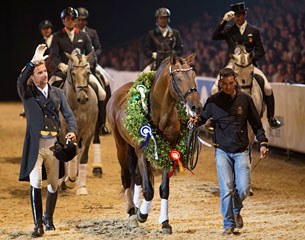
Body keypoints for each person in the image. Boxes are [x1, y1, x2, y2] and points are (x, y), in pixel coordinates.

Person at [190, 68, 269, 235]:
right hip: (222, 151)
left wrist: (262, 142)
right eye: (224, 84)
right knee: (226, 189)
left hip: (241, 151)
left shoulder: (246, 100)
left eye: (231, 83)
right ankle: (228, 224)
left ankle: (236, 207)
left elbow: (256, 124)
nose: (227, 87)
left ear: (235, 82)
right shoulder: (213, 101)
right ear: (220, 83)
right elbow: (202, 119)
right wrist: (195, 121)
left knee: (244, 188)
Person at [17, 44, 78, 238]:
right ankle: (38, 225)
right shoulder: (27, 94)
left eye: (45, 71)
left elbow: (69, 116)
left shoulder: (58, 94)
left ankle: (48, 218)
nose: (44, 75)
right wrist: (32, 62)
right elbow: (19, 81)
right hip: (36, 146)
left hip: (53, 146)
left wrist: (73, 131)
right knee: (35, 183)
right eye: (39, 72)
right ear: (33, 77)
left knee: (53, 184)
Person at [212, 2, 281, 129]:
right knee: (214, 89)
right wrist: (223, 21)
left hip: (249, 64)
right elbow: (214, 36)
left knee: (267, 88)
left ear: (245, 14)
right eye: (236, 16)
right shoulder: (229, 30)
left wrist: (250, 57)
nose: (239, 18)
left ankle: (271, 117)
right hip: (232, 64)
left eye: (241, 15)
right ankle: (213, 119)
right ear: (234, 17)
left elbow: (261, 50)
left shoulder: (254, 31)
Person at [49, 6, 105, 101]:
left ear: (75, 21)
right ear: (63, 21)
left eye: (73, 19)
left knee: (102, 94)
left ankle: (101, 116)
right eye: (68, 19)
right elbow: (54, 56)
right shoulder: (56, 36)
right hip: (63, 72)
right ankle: (48, 115)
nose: (70, 21)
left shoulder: (83, 35)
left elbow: (91, 54)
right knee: (48, 90)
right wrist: (61, 65)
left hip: (81, 72)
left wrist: (87, 65)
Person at [76, 7, 111, 135]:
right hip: (75, 68)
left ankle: (102, 124)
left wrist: (90, 60)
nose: (81, 22)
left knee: (103, 88)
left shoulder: (92, 33)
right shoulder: (72, 34)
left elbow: (98, 49)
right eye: (79, 20)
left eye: (83, 20)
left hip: (90, 66)